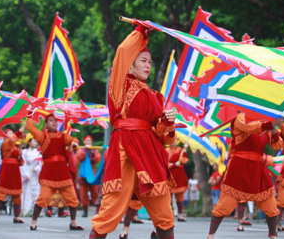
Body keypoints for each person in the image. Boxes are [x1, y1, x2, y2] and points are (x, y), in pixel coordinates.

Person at [88, 22, 177, 239]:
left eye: (150, 62)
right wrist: (140, 32)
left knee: (164, 215)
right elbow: (122, 52)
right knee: (109, 213)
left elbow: (162, 134)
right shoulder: (120, 85)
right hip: (124, 149)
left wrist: (167, 122)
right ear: (130, 65)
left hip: (150, 152)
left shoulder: (155, 95)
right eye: (143, 61)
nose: (148, 65)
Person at [23, 114, 82, 229]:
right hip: (49, 172)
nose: (54, 122)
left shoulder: (63, 136)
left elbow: (72, 140)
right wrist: (30, 114)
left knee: (73, 198)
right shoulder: (42, 136)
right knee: (43, 198)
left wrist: (74, 143)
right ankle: (34, 221)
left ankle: (73, 222)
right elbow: (31, 127)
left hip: (62, 172)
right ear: (46, 124)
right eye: (50, 120)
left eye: (55, 121)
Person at [0, 127, 25, 223]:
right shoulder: (5, 143)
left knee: (17, 194)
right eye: (9, 133)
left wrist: (20, 156)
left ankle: (17, 216)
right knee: (0, 194)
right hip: (6, 170)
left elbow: (21, 163)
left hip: (15, 171)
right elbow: (14, 138)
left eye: (11, 133)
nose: (11, 134)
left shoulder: (16, 147)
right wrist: (23, 128)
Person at [79, 136, 104, 218]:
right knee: (83, 194)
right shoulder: (81, 149)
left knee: (95, 192)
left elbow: (97, 159)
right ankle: (85, 210)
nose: (88, 142)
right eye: (87, 140)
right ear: (84, 142)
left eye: (90, 140)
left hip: (92, 174)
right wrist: (84, 150)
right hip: (83, 174)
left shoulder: (94, 149)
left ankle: (97, 210)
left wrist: (92, 152)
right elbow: (80, 157)